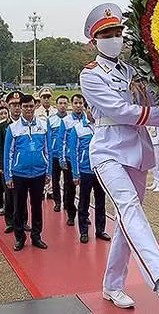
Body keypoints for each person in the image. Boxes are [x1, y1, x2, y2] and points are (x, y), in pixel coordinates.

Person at [80, 3, 159, 309]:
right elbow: (120, 111)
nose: (114, 38)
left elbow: (153, 97)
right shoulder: (90, 75)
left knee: (128, 221)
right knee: (130, 210)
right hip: (108, 152)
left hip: (137, 154)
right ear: (94, 41)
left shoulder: (133, 71)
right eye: (106, 34)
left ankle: (112, 285)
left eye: (117, 32)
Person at [4, 93, 52, 251]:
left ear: (35, 106)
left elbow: (48, 150)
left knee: (37, 206)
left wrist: (48, 172)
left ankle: (36, 236)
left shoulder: (43, 126)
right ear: (20, 108)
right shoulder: (13, 128)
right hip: (19, 174)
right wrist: (8, 175)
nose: (28, 109)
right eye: (25, 107)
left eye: (31, 106)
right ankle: (19, 238)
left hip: (39, 173)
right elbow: (8, 154)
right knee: (19, 207)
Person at [69, 102, 111, 244]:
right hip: (85, 171)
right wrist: (75, 173)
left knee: (100, 202)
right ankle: (84, 231)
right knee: (84, 202)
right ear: (86, 110)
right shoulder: (78, 128)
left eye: (94, 109)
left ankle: (100, 230)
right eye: (89, 109)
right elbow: (73, 152)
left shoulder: (102, 127)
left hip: (100, 170)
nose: (92, 112)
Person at [0, 91, 25, 234]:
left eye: (18, 105)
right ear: (8, 106)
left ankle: (23, 220)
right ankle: (9, 222)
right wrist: (1, 166)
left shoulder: (25, 124)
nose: (16, 108)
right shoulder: (2, 125)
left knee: (22, 195)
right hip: (7, 167)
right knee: (9, 195)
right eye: (13, 105)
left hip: (21, 166)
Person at [62, 93, 88, 226]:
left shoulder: (88, 120)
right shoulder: (66, 121)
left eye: (80, 103)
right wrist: (62, 159)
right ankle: (71, 214)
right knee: (70, 187)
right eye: (76, 103)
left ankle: (85, 213)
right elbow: (63, 141)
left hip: (84, 161)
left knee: (85, 190)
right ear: (72, 105)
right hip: (70, 160)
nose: (78, 106)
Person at [48, 94, 69, 212]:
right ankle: (57, 202)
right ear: (56, 105)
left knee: (68, 181)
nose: (62, 106)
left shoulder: (70, 120)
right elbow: (48, 138)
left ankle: (67, 202)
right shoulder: (51, 120)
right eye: (60, 103)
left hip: (67, 156)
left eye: (65, 103)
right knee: (55, 180)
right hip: (54, 155)